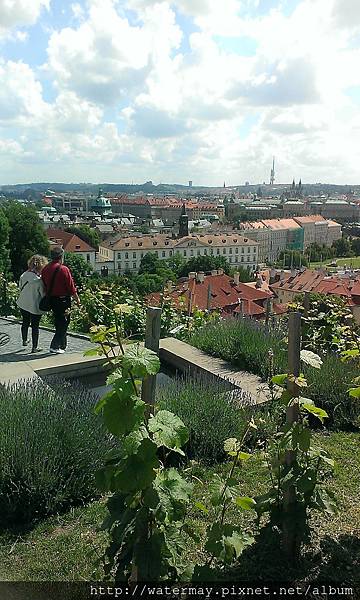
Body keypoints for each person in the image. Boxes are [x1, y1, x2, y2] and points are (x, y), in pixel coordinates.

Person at [41, 246, 80, 354]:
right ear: (61, 256)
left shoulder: (46, 269)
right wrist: (77, 299)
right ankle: (55, 345)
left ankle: (62, 345)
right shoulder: (63, 269)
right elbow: (71, 287)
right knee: (64, 323)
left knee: (59, 321)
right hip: (63, 300)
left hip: (52, 299)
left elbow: (44, 284)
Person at [17, 254, 48, 353]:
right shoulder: (39, 280)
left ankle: (24, 340)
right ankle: (35, 347)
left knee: (25, 322)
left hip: (23, 302)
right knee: (35, 326)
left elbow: (20, 287)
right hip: (34, 305)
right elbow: (43, 294)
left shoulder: (24, 275)